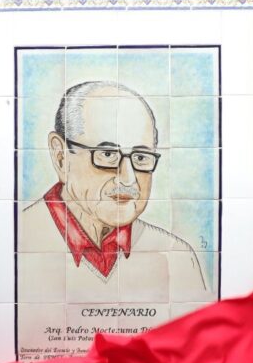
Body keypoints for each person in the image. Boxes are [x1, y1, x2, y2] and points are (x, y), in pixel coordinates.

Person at [17, 80, 211, 303]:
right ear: (61, 157)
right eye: (107, 154)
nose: (128, 178)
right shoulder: (15, 242)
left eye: (140, 157)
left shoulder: (177, 257)